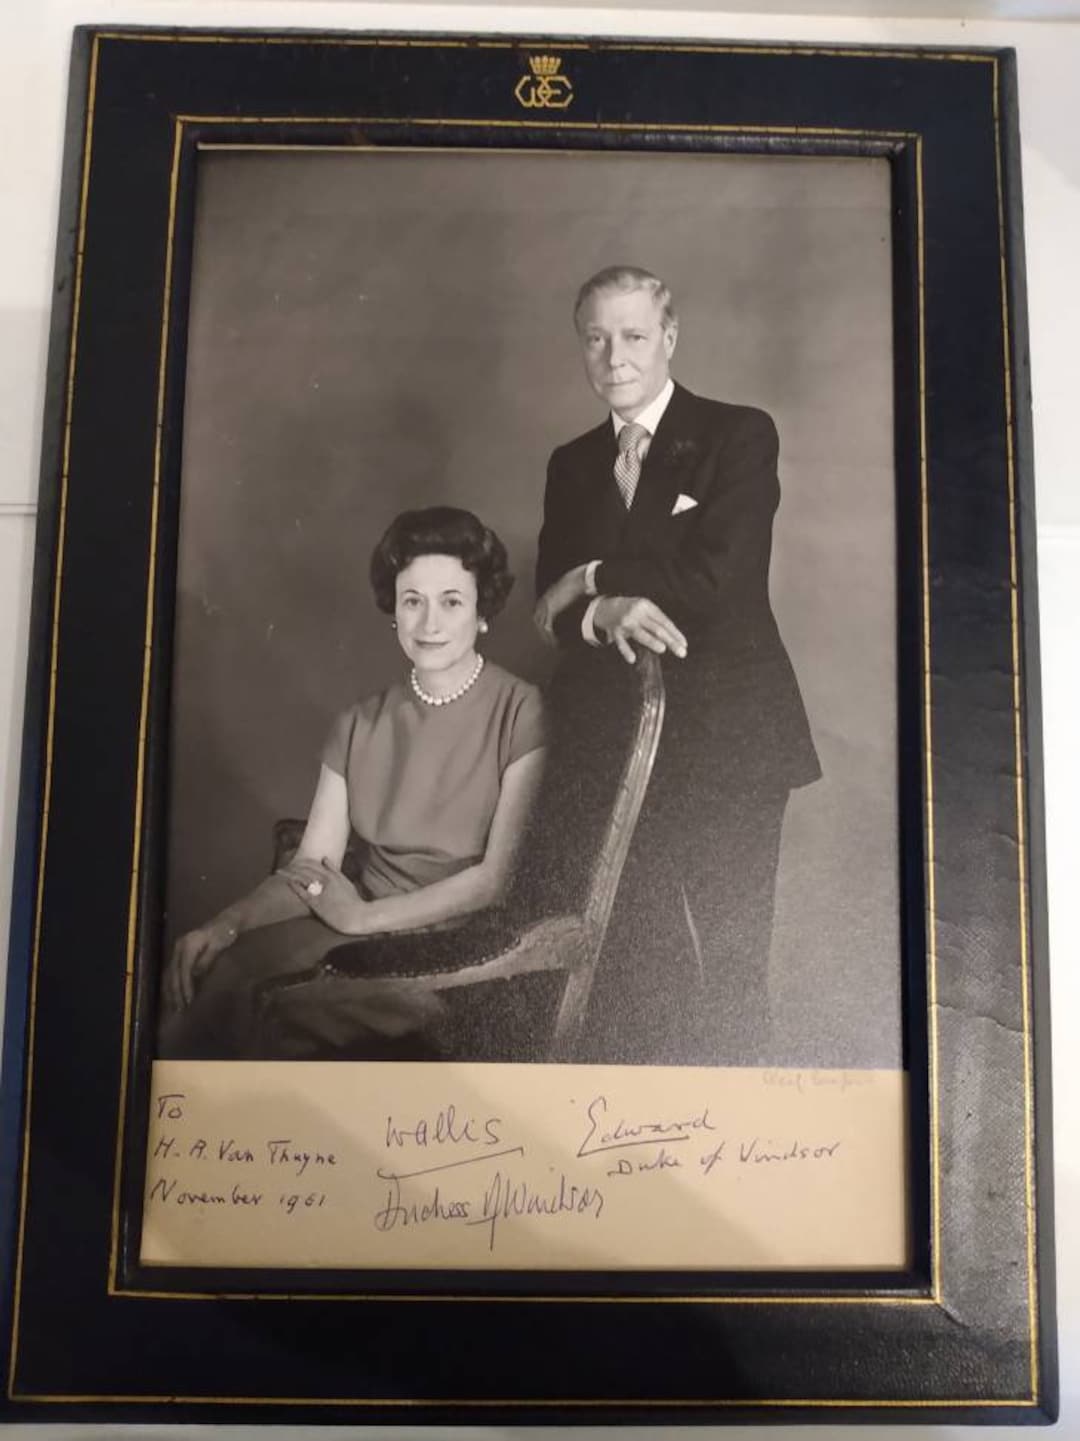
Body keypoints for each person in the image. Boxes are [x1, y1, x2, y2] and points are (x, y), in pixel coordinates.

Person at [534, 265, 820, 1065]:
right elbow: (544, 609)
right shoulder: (571, 462)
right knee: (633, 969)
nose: (614, 357)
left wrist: (591, 579)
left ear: (669, 336)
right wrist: (598, 614)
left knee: (731, 974)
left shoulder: (739, 433)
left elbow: (714, 582)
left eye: (632, 335)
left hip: (731, 742)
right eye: (596, 338)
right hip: (612, 750)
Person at [160, 506, 546, 1059]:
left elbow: (494, 882)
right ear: (394, 611)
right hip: (353, 939)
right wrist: (226, 925)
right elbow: (312, 870)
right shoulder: (358, 723)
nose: (429, 623)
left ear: (483, 611)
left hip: (458, 961)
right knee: (218, 990)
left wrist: (363, 918)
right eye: (412, 601)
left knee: (281, 1022)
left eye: (451, 601)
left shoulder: (521, 709)